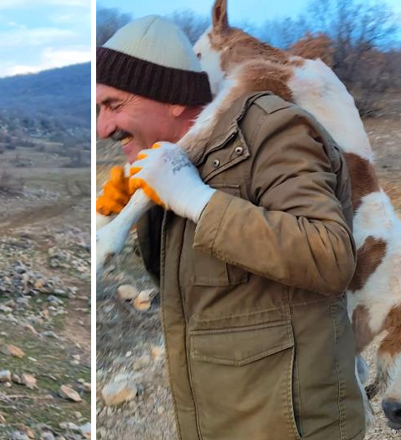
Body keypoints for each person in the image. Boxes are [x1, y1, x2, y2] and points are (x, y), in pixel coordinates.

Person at [96, 16, 365, 440]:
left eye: (114, 105)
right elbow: (184, 288)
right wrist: (138, 212)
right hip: (219, 421)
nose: (103, 128)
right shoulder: (175, 162)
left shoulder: (270, 130)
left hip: (292, 427)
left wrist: (198, 202)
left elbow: (329, 255)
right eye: (97, 109)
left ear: (171, 98)